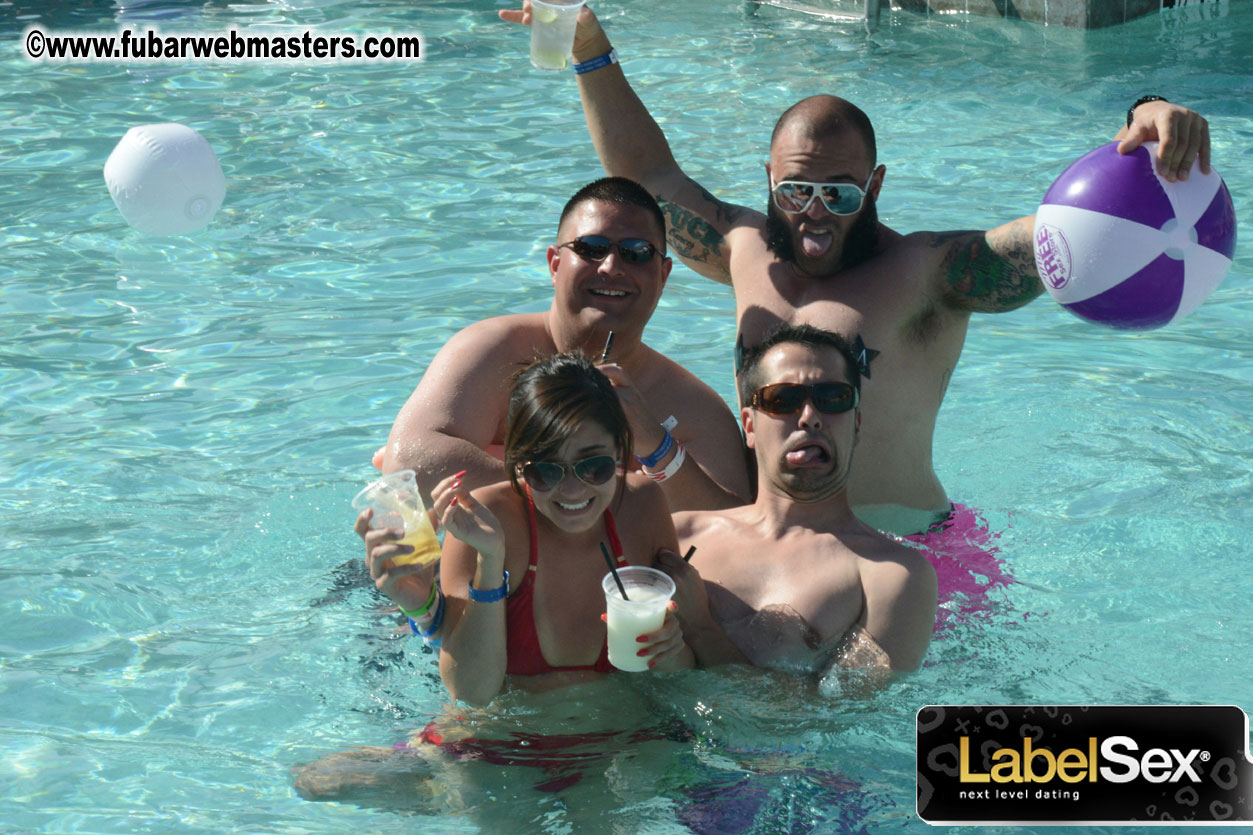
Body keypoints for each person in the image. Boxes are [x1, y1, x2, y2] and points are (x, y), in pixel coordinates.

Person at [500, 4, 1211, 541]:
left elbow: (1067, 233)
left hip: (911, 550)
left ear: (874, 186)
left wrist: (1144, 120)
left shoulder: (930, 273)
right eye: (794, 192)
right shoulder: (744, 249)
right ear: (768, 180)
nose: (813, 215)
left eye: (838, 194)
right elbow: (649, 177)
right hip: (773, 545)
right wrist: (589, 53)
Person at [378, 176, 749, 515]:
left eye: (636, 252)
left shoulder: (693, 409)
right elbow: (408, 465)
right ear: (554, 265)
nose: (611, 267)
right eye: (591, 248)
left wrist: (657, 446)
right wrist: (568, 495)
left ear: (663, 275)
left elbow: (735, 528)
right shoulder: (492, 353)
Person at [660, 324, 938, 677]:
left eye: (833, 398)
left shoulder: (891, 576)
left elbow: (834, 709)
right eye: (782, 399)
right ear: (749, 426)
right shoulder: (678, 535)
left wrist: (701, 628)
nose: (810, 417)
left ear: (856, 424)